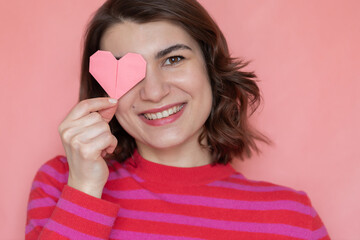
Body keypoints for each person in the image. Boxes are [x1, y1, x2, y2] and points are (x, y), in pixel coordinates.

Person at [26, 0, 330, 239]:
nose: (154, 93)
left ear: (211, 67)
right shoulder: (62, 183)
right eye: (129, 73)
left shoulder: (292, 219)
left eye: (173, 60)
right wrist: (84, 189)